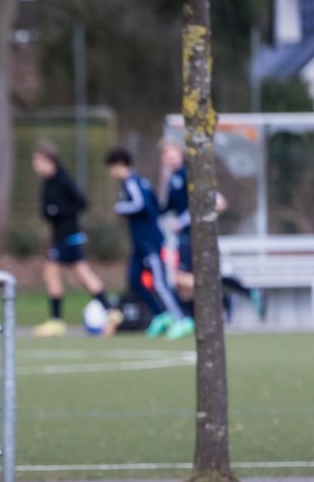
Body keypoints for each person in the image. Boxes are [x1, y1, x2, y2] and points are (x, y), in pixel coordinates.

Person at [158, 139, 263, 320]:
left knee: (183, 278)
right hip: (184, 236)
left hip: (195, 236)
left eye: (173, 154)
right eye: (167, 156)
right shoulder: (173, 178)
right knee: (185, 284)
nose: (170, 159)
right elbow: (167, 207)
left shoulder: (189, 175)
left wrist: (183, 222)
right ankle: (193, 318)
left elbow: (218, 202)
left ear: (180, 154)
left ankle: (224, 296)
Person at [104, 147, 194, 340]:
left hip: (150, 242)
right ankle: (162, 315)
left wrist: (120, 207)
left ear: (119, 165)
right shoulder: (136, 182)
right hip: (139, 245)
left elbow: (142, 204)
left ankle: (181, 319)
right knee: (134, 280)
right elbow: (158, 206)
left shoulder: (133, 182)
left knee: (160, 283)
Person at [29, 141, 113, 337]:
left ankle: (56, 320)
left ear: (50, 161)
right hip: (62, 235)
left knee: (50, 273)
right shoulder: (48, 181)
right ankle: (110, 310)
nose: (35, 166)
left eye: (38, 161)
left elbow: (81, 203)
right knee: (83, 274)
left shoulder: (62, 179)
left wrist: (58, 212)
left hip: (67, 235)